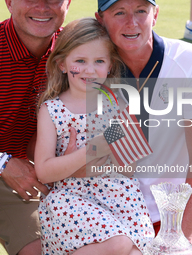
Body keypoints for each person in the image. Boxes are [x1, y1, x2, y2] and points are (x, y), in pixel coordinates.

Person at [0, 0, 192, 254]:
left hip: (75, 183)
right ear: (9, 1)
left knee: (44, 250)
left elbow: (126, 147)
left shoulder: (78, 54)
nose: (43, 7)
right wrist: (7, 163)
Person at [96, 0, 192, 254]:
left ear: (155, 15)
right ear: (100, 19)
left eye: (141, 10)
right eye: (119, 12)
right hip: (118, 209)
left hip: (185, 205)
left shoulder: (191, 63)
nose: (132, 22)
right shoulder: (88, 66)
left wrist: (179, 241)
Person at [35, 17, 154, 255]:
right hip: (72, 201)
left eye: (99, 61)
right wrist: (92, 150)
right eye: (80, 61)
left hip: (121, 198)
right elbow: (45, 171)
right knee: (118, 244)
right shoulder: (52, 110)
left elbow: (129, 167)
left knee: (135, 252)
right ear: (62, 64)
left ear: (110, 65)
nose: (90, 70)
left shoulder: (118, 104)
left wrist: (109, 158)